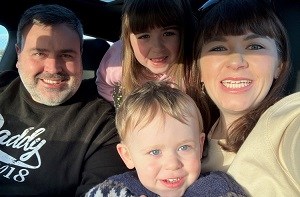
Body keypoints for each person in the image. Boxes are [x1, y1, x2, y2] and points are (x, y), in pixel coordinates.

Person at [0, 4, 127, 196]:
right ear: (18, 55)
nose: (53, 68)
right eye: (39, 53)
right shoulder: (3, 86)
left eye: (66, 55)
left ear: (80, 57)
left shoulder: (104, 126)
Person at [193, 0, 300, 196]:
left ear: (279, 66)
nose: (236, 61)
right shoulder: (187, 137)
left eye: (255, 46)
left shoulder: (285, 122)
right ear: (198, 70)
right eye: (218, 48)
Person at [85, 81, 247, 197]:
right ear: (127, 155)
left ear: (200, 144)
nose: (172, 164)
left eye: (184, 147)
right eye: (155, 151)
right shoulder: (113, 190)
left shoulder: (218, 189)